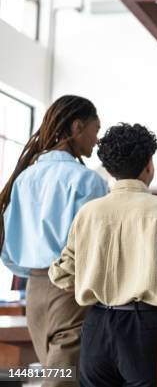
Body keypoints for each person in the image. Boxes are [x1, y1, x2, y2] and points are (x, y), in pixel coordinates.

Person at [49, 123, 157, 387]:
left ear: (109, 170)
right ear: (149, 165)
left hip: (97, 326)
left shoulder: (89, 212)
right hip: (147, 327)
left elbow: (62, 276)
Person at [0, 95, 108, 385]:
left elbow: (8, 243)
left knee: (54, 372)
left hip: (34, 291)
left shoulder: (25, 178)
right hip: (71, 289)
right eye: (95, 130)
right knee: (62, 379)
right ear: (76, 127)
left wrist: (31, 272)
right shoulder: (88, 181)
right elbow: (97, 246)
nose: (96, 140)